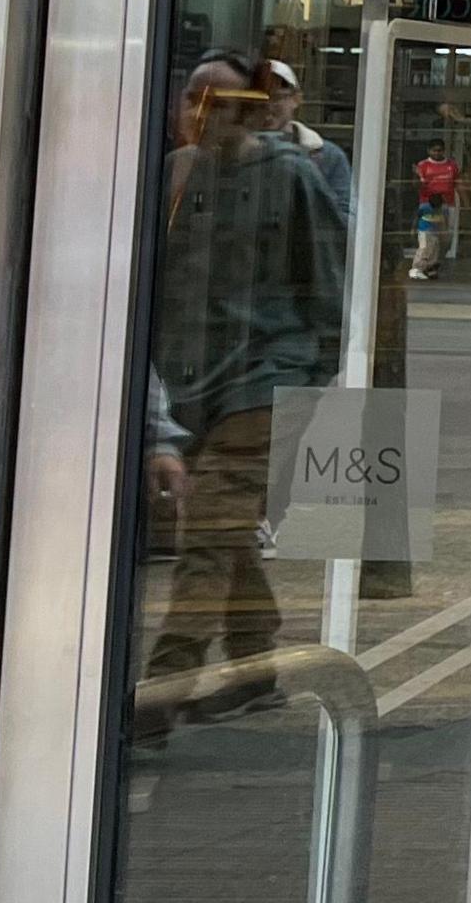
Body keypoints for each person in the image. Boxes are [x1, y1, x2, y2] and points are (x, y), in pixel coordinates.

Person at [142, 51, 353, 695]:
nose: (201, 116)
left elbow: (326, 278)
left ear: (247, 113)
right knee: (226, 527)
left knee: (207, 529)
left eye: (220, 104)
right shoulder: (173, 176)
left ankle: (166, 684)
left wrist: (310, 376)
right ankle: (255, 662)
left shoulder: (290, 174)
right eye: (191, 98)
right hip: (192, 382)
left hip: (265, 379)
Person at [405, 140, 458, 279]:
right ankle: (420, 266)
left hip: (447, 204)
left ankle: (433, 265)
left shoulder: (451, 165)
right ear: (429, 151)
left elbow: (458, 183)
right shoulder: (423, 166)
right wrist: (416, 175)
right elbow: (415, 185)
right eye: (434, 150)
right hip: (428, 205)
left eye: (439, 150)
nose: (437, 153)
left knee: (445, 239)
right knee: (428, 239)